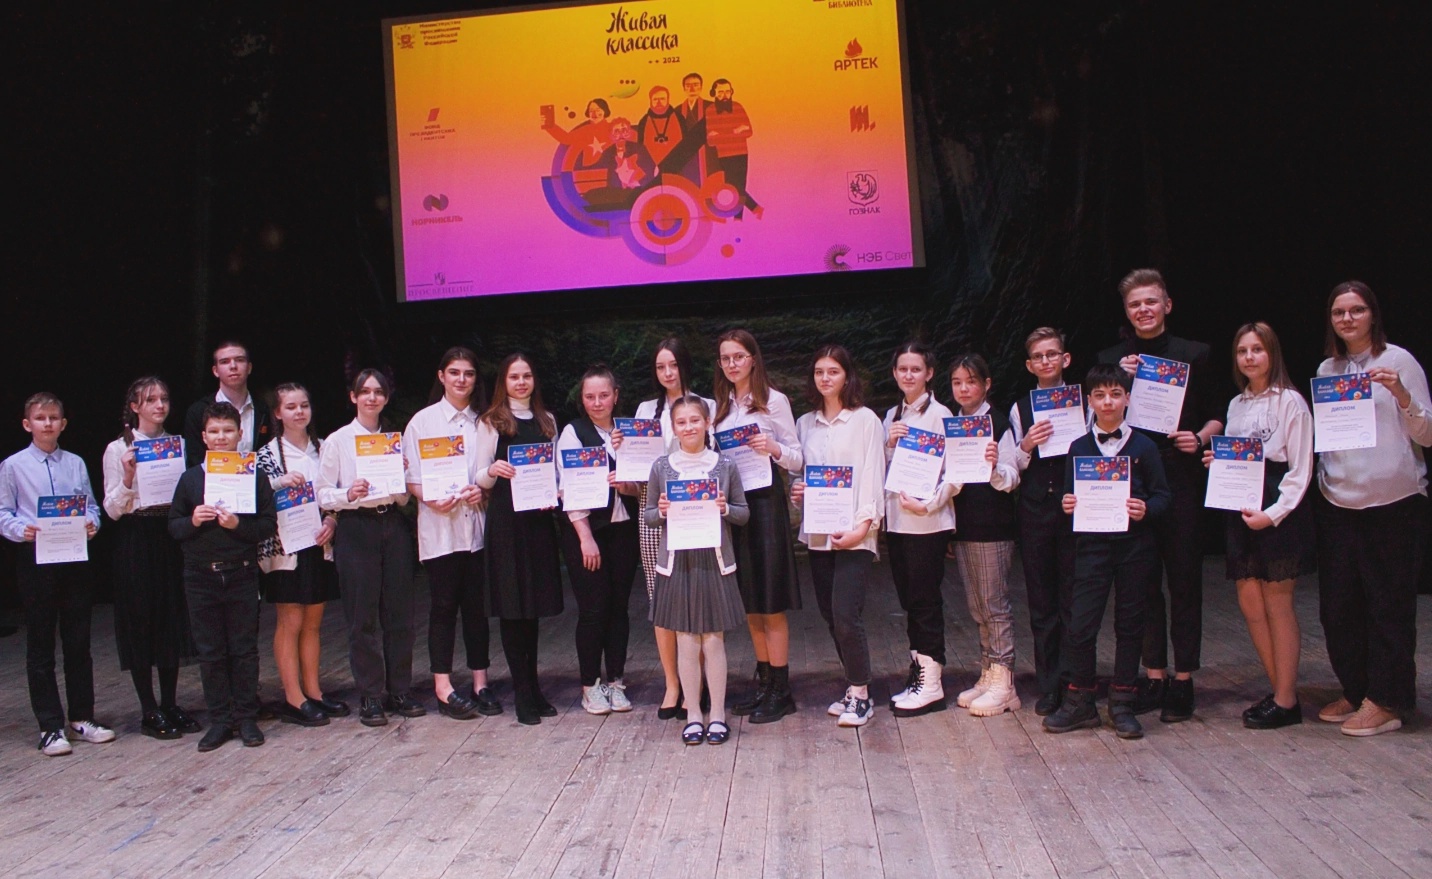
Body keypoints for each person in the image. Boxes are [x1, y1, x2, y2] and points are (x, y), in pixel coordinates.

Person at [1098, 269, 1222, 722]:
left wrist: (1200, 437)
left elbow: (1218, 413)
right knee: (1142, 582)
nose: (1143, 309)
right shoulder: (1112, 359)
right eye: (1135, 304)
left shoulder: (1195, 354)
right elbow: (1101, 416)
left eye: (1151, 301)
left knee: (1185, 579)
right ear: (1126, 311)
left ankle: (1183, 679)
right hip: (1132, 482)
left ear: (1167, 305)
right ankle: (1153, 675)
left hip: (1180, 476)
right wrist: (1122, 379)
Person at [1313, 281, 1431, 737]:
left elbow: (1427, 433)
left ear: (1372, 315)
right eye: (1338, 312)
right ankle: (1358, 688)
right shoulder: (1329, 368)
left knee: (1388, 606)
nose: (1347, 319)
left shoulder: (1399, 361)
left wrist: (1402, 394)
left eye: (1356, 310)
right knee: (1339, 608)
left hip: (1392, 503)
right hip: (1339, 502)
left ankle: (1388, 700)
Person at [1045, 364, 1171, 739]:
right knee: (1081, 625)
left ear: (1127, 398)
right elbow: (1069, 498)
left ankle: (1123, 704)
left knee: (1130, 626)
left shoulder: (1145, 447)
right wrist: (1067, 504)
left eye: (1115, 394)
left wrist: (1146, 508)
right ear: (1090, 401)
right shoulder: (1078, 448)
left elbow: (1164, 497)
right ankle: (1080, 701)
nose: (1108, 402)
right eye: (1100, 395)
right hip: (1092, 548)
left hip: (1135, 548)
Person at [1207, 323, 1315, 730]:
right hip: (1241, 506)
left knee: (1277, 603)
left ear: (1272, 353)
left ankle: (1286, 699)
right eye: (1242, 351)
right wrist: (1218, 464)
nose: (1249, 357)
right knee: (1250, 603)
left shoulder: (1291, 401)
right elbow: (1239, 458)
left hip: (1277, 507)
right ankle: (1280, 692)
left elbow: (1301, 469)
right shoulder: (1236, 404)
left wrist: (1274, 513)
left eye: (1257, 349)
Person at [0, 393, 112, 756]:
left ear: (63, 424)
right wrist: (22, 530)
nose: (47, 423)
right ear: (27, 424)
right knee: (41, 644)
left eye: (53, 418)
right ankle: (50, 726)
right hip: (36, 560)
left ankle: (82, 718)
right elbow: (3, 512)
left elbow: (91, 505)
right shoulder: (13, 466)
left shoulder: (75, 463)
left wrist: (92, 523)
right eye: (40, 418)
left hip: (74, 558)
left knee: (78, 641)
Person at [169, 401, 277, 751]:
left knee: (244, 649)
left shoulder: (254, 475)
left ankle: (246, 718)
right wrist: (192, 520)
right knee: (210, 652)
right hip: (200, 576)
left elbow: (267, 525)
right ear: (203, 436)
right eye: (214, 431)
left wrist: (237, 525)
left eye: (227, 431)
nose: (221, 437)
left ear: (240, 434)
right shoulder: (190, 478)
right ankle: (220, 721)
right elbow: (173, 526)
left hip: (242, 573)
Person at [317, 370, 422, 728]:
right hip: (355, 528)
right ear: (353, 397)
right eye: (365, 392)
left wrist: (400, 474)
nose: (372, 398)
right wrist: (348, 493)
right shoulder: (338, 441)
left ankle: (400, 691)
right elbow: (322, 493)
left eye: (378, 392)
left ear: (386, 398)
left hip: (391, 523)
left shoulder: (393, 440)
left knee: (400, 614)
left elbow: (403, 498)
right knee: (361, 617)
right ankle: (371, 695)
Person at [403, 349, 502, 721]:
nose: (462, 379)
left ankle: (480, 683)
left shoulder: (485, 422)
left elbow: (488, 474)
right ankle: (443, 688)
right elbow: (410, 479)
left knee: (477, 610)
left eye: (469, 373)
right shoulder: (422, 422)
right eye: (455, 372)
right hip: (440, 528)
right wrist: (429, 497)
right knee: (443, 607)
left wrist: (483, 491)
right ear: (441, 376)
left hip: (476, 529)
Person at [790, 345, 886, 727]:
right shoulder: (805, 424)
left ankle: (862, 696)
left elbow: (873, 474)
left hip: (855, 533)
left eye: (833, 371)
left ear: (847, 376)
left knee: (847, 614)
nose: (825, 378)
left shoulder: (865, 420)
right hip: (820, 534)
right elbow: (803, 476)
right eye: (819, 372)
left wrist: (862, 529)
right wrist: (799, 490)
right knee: (830, 614)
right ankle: (852, 686)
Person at [620, 338, 715, 719]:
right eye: (660, 367)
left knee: (697, 594)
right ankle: (673, 684)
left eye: (673, 365)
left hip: (697, 512)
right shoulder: (646, 410)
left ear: (685, 365)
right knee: (660, 598)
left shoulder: (707, 405)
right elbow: (636, 473)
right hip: (654, 509)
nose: (667, 373)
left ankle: (701, 683)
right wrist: (622, 451)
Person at [645, 395, 749, 744]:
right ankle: (692, 714)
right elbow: (649, 516)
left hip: (713, 561)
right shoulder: (662, 467)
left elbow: (743, 513)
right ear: (673, 428)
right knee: (686, 641)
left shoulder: (725, 465)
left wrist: (725, 508)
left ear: (707, 423)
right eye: (681, 422)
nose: (688, 427)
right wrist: (661, 510)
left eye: (695, 420)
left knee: (714, 640)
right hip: (678, 563)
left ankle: (717, 714)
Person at [101, 377, 200, 740]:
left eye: (164, 398)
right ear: (135, 407)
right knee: (141, 618)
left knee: (170, 617)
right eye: (150, 400)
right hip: (136, 535)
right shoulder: (118, 448)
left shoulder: (177, 445)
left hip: (169, 533)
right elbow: (111, 509)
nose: (160, 405)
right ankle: (148, 708)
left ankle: (170, 703)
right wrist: (128, 478)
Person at [713, 329, 803, 723]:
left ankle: (782, 690)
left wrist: (774, 448)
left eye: (738, 356)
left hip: (765, 503)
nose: (732, 364)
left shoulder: (773, 401)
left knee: (770, 600)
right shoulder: (720, 408)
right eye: (725, 358)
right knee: (750, 600)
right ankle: (764, 684)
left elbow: (798, 457)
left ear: (753, 358)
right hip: (734, 508)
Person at [475, 354, 564, 726]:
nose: (522, 382)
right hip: (506, 522)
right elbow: (478, 476)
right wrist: (492, 469)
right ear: (504, 381)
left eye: (527, 375)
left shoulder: (547, 420)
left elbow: (556, 470)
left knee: (533, 609)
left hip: (537, 521)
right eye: (514, 376)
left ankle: (535, 687)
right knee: (513, 608)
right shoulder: (491, 421)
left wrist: (556, 491)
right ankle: (522, 692)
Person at [256, 383, 344, 727]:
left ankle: (314, 691)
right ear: (278, 413)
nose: (299, 412)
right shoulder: (266, 455)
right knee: (290, 621)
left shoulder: (323, 448)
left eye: (304, 405)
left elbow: (334, 492)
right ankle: (293, 697)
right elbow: (253, 496)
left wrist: (332, 520)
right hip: (285, 549)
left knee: (313, 622)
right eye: (291, 407)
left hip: (318, 544)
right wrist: (279, 483)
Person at [556, 366, 641, 715]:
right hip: (588, 533)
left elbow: (644, 483)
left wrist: (628, 484)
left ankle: (616, 682)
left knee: (619, 608)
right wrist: (585, 537)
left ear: (615, 396)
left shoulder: (630, 432)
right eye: (590, 396)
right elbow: (568, 488)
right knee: (593, 609)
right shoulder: (574, 433)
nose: (597, 402)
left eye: (603, 395)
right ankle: (590, 685)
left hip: (624, 530)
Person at [941, 354, 1022, 717]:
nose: (963, 389)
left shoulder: (999, 423)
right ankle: (988, 673)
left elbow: (1013, 476)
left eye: (971, 381)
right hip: (964, 525)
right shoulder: (951, 424)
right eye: (957, 382)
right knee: (977, 606)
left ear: (987, 384)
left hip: (993, 526)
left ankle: (1006, 682)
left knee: (994, 604)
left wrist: (993, 467)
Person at [880, 342, 956, 717]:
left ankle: (933, 683)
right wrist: (889, 444)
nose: (908, 375)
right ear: (894, 373)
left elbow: (956, 472)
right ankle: (919, 673)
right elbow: (882, 469)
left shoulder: (942, 415)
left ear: (929, 373)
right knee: (909, 600)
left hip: (928, 523)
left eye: (916, 369)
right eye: (902, 369)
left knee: (925, 602)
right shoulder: (890, 416)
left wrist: (930, 503)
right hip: (898, 522)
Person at [1008, 329, 1079, 716]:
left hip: (1074, 507)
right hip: (1035, 510)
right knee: (1041, 599)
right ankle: (1049, 684)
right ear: (1029, 365)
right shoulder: (1021, 408)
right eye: (1038, 356)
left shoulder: (1082, 400)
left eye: (1052, 354)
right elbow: (1013, 466)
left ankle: (1076, 681)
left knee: (1074, 596)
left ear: (1065, 359)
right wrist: (1027, 444)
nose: (1046, 361)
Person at [182, 340, 272, 467]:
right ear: (215, 371)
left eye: (239, 360)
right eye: (225, 362)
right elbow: (195, 461)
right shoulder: (198, 411)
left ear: (249, 368)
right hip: (211, 479)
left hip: (255, 478)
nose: (233, 366)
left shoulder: (263, 410)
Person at [705, 78, 761, 218]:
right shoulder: (710, 110)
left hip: (741, 152)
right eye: (720, 92)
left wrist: (722, 134)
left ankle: (739, 218)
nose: (724, 95)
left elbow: (749, 131)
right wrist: (735, 132)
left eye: (727, 91)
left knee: (740, 185)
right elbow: (711, 139)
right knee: (733, 186)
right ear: (714, 93)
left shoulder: (737, 107)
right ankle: (755, 208)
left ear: (731, 92)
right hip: (723, 154)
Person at [636, 85, 685, 169]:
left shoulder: (679, 118)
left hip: (676, 165)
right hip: (651, 167)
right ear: (650, 101)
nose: (659, 102)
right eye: (655, 99)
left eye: (662, 99)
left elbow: (685, 145)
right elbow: (640, 148)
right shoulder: (644, 121)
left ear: (668, 100)